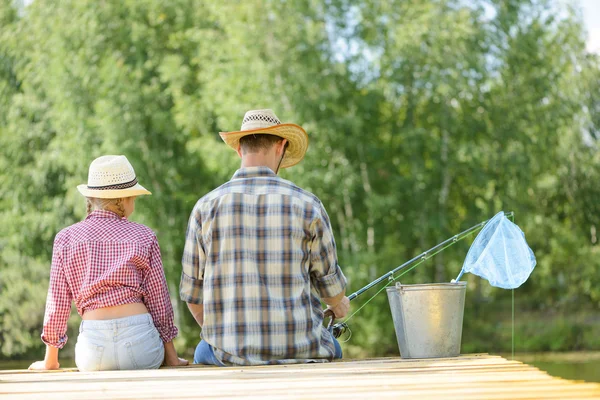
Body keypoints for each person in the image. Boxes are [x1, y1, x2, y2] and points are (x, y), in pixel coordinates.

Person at [180, 109, 350, 366]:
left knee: (203, 350)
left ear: (239, 150)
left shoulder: (205, 207)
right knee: (334, 346)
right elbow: (331, 288)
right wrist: (339, 305)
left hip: (229, 354)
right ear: (281, 146)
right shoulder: (308, 205)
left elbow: (192, 294)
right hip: (303, 350)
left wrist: (225, 336)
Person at [29, 155, 188, 371]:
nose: (134, 202)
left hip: (93, 350)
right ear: (122, 200)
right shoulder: (144, 235)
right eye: (133, 197)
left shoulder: (65, 238)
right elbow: (159, 300)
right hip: (141, 343)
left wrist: (50, 361)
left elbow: (57, 304)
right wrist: (171, 357)